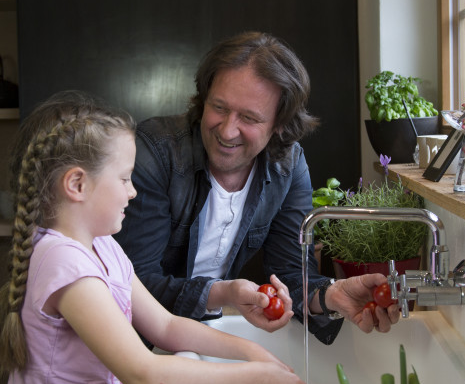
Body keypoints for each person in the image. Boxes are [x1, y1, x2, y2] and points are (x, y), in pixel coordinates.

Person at [0, 90, 311, 384]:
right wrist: (256, 378)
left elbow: (167, 327)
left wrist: (253, 353)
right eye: (124, 179)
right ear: (77, 185)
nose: (133, 192)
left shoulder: (102, 246)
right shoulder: (64, 265)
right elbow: (143, 372)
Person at [114, 31, 400, 346]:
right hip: (123, 342)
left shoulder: (287, 167)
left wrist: (331, 294)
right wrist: (223, 293)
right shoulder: (155, 151)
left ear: (279, 123)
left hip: (194, 336)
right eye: (219, 107)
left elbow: (291, 274)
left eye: (249, 117)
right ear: (204, 96)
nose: (227, 130)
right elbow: (132, 283)